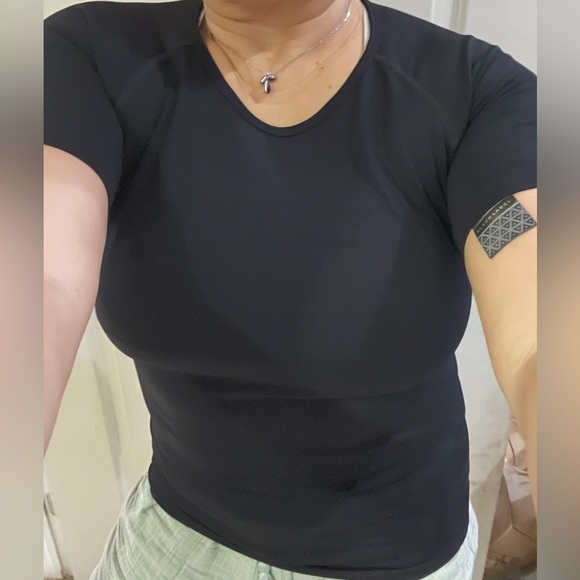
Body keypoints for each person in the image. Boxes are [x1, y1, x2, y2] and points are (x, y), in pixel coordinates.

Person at [43, 0, 537, 578]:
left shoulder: (473, 93)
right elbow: (40, 281)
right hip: (175, 535)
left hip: (393, 557)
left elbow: (538, 324)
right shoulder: (89, 55)